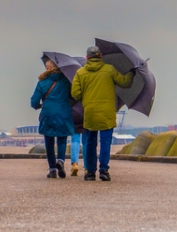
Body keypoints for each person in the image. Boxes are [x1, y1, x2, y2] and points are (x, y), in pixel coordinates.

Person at [71, 45, 134, 182]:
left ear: (87, 58)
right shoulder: (109, 70)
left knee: (90, 143)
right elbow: (125, 82)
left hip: (90, 112)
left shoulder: (80, 73)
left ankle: (90, 173)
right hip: (107, 113)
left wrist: (86, 97)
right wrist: (131, 73)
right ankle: (104, 171)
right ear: (100, 56)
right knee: (105, 142)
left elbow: (75, 94)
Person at [30, 58, 74, 179]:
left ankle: (52, 169)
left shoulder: (42, 82)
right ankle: (60, 160)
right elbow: (74, 96)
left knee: (49, 142)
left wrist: (39, 106)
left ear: (47, 69)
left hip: (48, 113)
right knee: (62, 139)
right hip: (63, 113)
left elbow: (33, 101)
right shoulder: (66, 81)